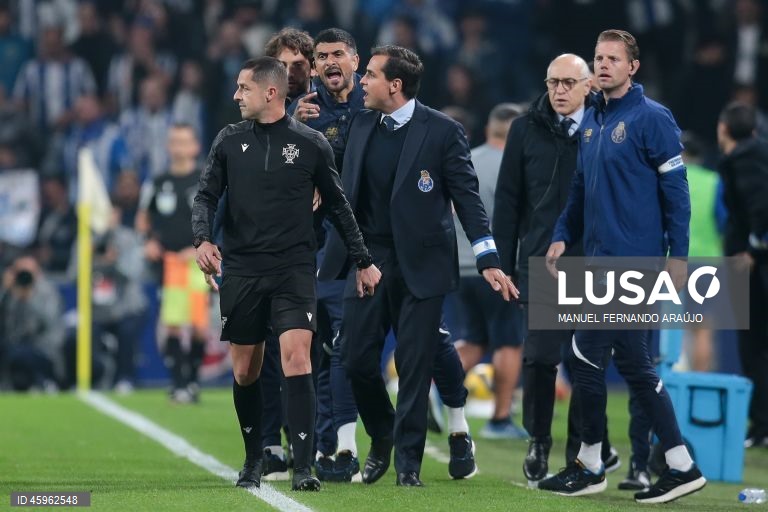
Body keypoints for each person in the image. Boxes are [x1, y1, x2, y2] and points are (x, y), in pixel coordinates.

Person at [319, 45, 517, 487]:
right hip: (367, 261)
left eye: (369, 75)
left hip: (423, 265)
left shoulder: (444, 131)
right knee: (353, 360)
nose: (362, 82)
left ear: (395, 85)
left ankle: (407, 464)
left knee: (414, 365)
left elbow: (467, 200)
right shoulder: (360, 123)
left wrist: (488, 259)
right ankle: (384, 435)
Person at [191, 56, 380, 492]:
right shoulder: (228, 140)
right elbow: (205, 196)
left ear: (270, 93)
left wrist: (362, 259)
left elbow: (338, 205)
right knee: (245, 372)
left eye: (244, 88)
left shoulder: (311, 143)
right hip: (243, 269)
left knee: (297, 358)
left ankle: (303, 467)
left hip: (294, 268)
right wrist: (203, 240)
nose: (237, 96)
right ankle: (254, 457)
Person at [542, 30, 706, 503]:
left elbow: (678, 193)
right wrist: (560, 236)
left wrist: (679, 256)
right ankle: (651, 462)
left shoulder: (652, 118)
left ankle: (622, 462)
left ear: (633, 67)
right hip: (597, 260)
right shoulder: (592, 119)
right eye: (599, 58)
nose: (605, 65)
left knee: (600, 356)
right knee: (612, 360)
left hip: (634, 260)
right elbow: (579, 191)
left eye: (614, 58)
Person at [494, 54, 621, 486]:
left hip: (595, 264)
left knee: (586, 362)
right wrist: (501, 263)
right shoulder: (525, 128)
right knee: (541, 359)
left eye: (569, 82)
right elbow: (508, 202)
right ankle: (539, 440)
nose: (560, 91)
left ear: (589, 86)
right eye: (553, 82)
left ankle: (579, 453)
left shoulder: (608, 127)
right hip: (541, 264)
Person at [446, 102, 528, 440]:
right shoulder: (515, 167)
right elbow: (516, 224)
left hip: (461, 267)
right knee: (509, 342)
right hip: (498, 269)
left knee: (475, 341)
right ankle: (500, 418)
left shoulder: (465, 162)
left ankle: (432, 387)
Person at [138, 124, 210, 403]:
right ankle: (178, 382)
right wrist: (149, 241)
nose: (179, 147)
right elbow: (143, 217)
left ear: (194, 147)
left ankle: (192, 379)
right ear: (169, 146)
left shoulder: (206, 178)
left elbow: (219, 215)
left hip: (198, 262)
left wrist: (203, 246)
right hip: (169, 264)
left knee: (200, 325)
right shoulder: (158, 182)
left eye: (184, 141)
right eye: (174, 141)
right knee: (171, 324)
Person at [716, 101, 768, 448]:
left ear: (724, 129)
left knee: (754, 345)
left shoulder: (743, 158)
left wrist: (753, 249)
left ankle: (761, 424)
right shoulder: (759, 151)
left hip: (752, 265)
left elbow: (760, 204)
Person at [265, 27, 314, 105]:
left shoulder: (331, 105)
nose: (289, 74)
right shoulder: (261, 108)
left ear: (313, 68)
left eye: (298, 65)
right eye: (281, 66)